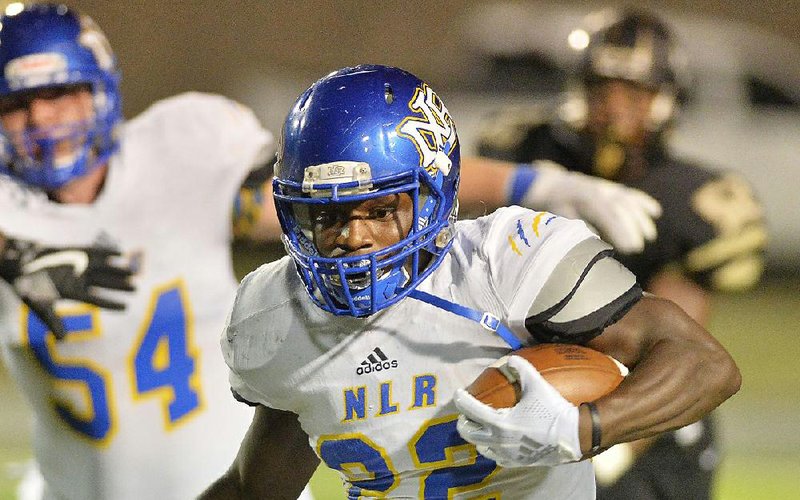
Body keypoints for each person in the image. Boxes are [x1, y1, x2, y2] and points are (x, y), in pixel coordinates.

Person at [200, 64, 740, 499]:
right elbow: (253, 489)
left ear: (432, 196)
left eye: (380, 209)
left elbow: (704, 363)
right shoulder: (276, 315)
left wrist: (585, 426)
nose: (353, 237)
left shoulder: (506, 264)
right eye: (327, 216)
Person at [0, 3, 312, 499]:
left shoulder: (179, 151)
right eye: (14, 104)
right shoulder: (6, 206)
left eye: (57, 92)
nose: (40, 117)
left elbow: (322, 206)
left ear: (97, 89)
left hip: (229, 482)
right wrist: (12, 252)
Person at [474, 9, 767, 499]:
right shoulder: (525, 149)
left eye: (634, 92)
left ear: (665, 99)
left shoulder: (697, 199)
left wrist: (613, 450)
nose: (614, 107)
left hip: (647, 418)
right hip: (535, 378)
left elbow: (678, 338)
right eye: (602, 88)